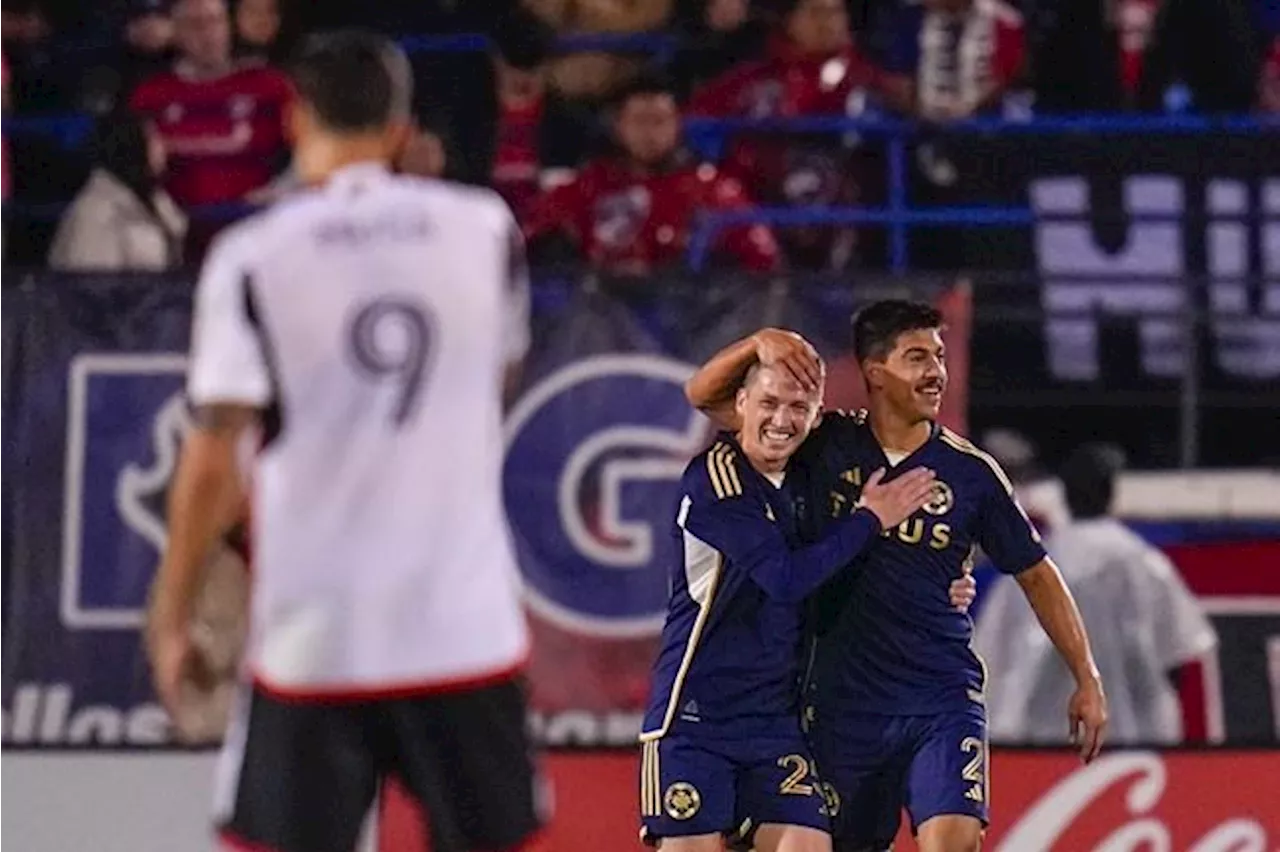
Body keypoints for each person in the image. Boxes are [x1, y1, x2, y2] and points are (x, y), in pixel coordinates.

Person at [145, 30, 545, 852]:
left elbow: (215, 454)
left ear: (293, 120)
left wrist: (171, 609)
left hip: (318, 630)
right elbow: (493, 379)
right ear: (403, 129)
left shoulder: (253, 256)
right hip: (460, 620)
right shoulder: (484, 230)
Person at [684, 303, 1108, 852]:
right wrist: (758, 342)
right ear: (874, 372)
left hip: (940, 697)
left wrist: (1087, 676)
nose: (936, 371)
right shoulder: (822, 444)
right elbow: (707, 399)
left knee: (952, 841)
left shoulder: (972, 473)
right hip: (838, 706)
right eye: (916, 358)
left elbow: (1036, 572)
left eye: (938, 356)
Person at [642, 360, 976, 852]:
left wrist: (942, 583)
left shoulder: (809, 482)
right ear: (739, 407)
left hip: (775, 723)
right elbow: (785, 579)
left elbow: (835, 571)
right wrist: (869, 519)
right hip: (695, 719)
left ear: (817, 416)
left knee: (808, 844)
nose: (782, 420)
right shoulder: (716, 479)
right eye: (769, 403)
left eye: (799, 407)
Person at [975, 443, 1217, 746]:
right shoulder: (1143, 563)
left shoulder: (1031, 566)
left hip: (1039, 749)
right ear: (1110, 493)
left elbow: (992, 659)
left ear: (1064, 495)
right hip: (1135, 743)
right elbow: (1176, 658)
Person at [48, 111, 186, 271]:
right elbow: (91, 286)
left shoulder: (155, 199)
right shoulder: (97, 210)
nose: (163, 147)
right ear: (132, 146)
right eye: (153, 139)